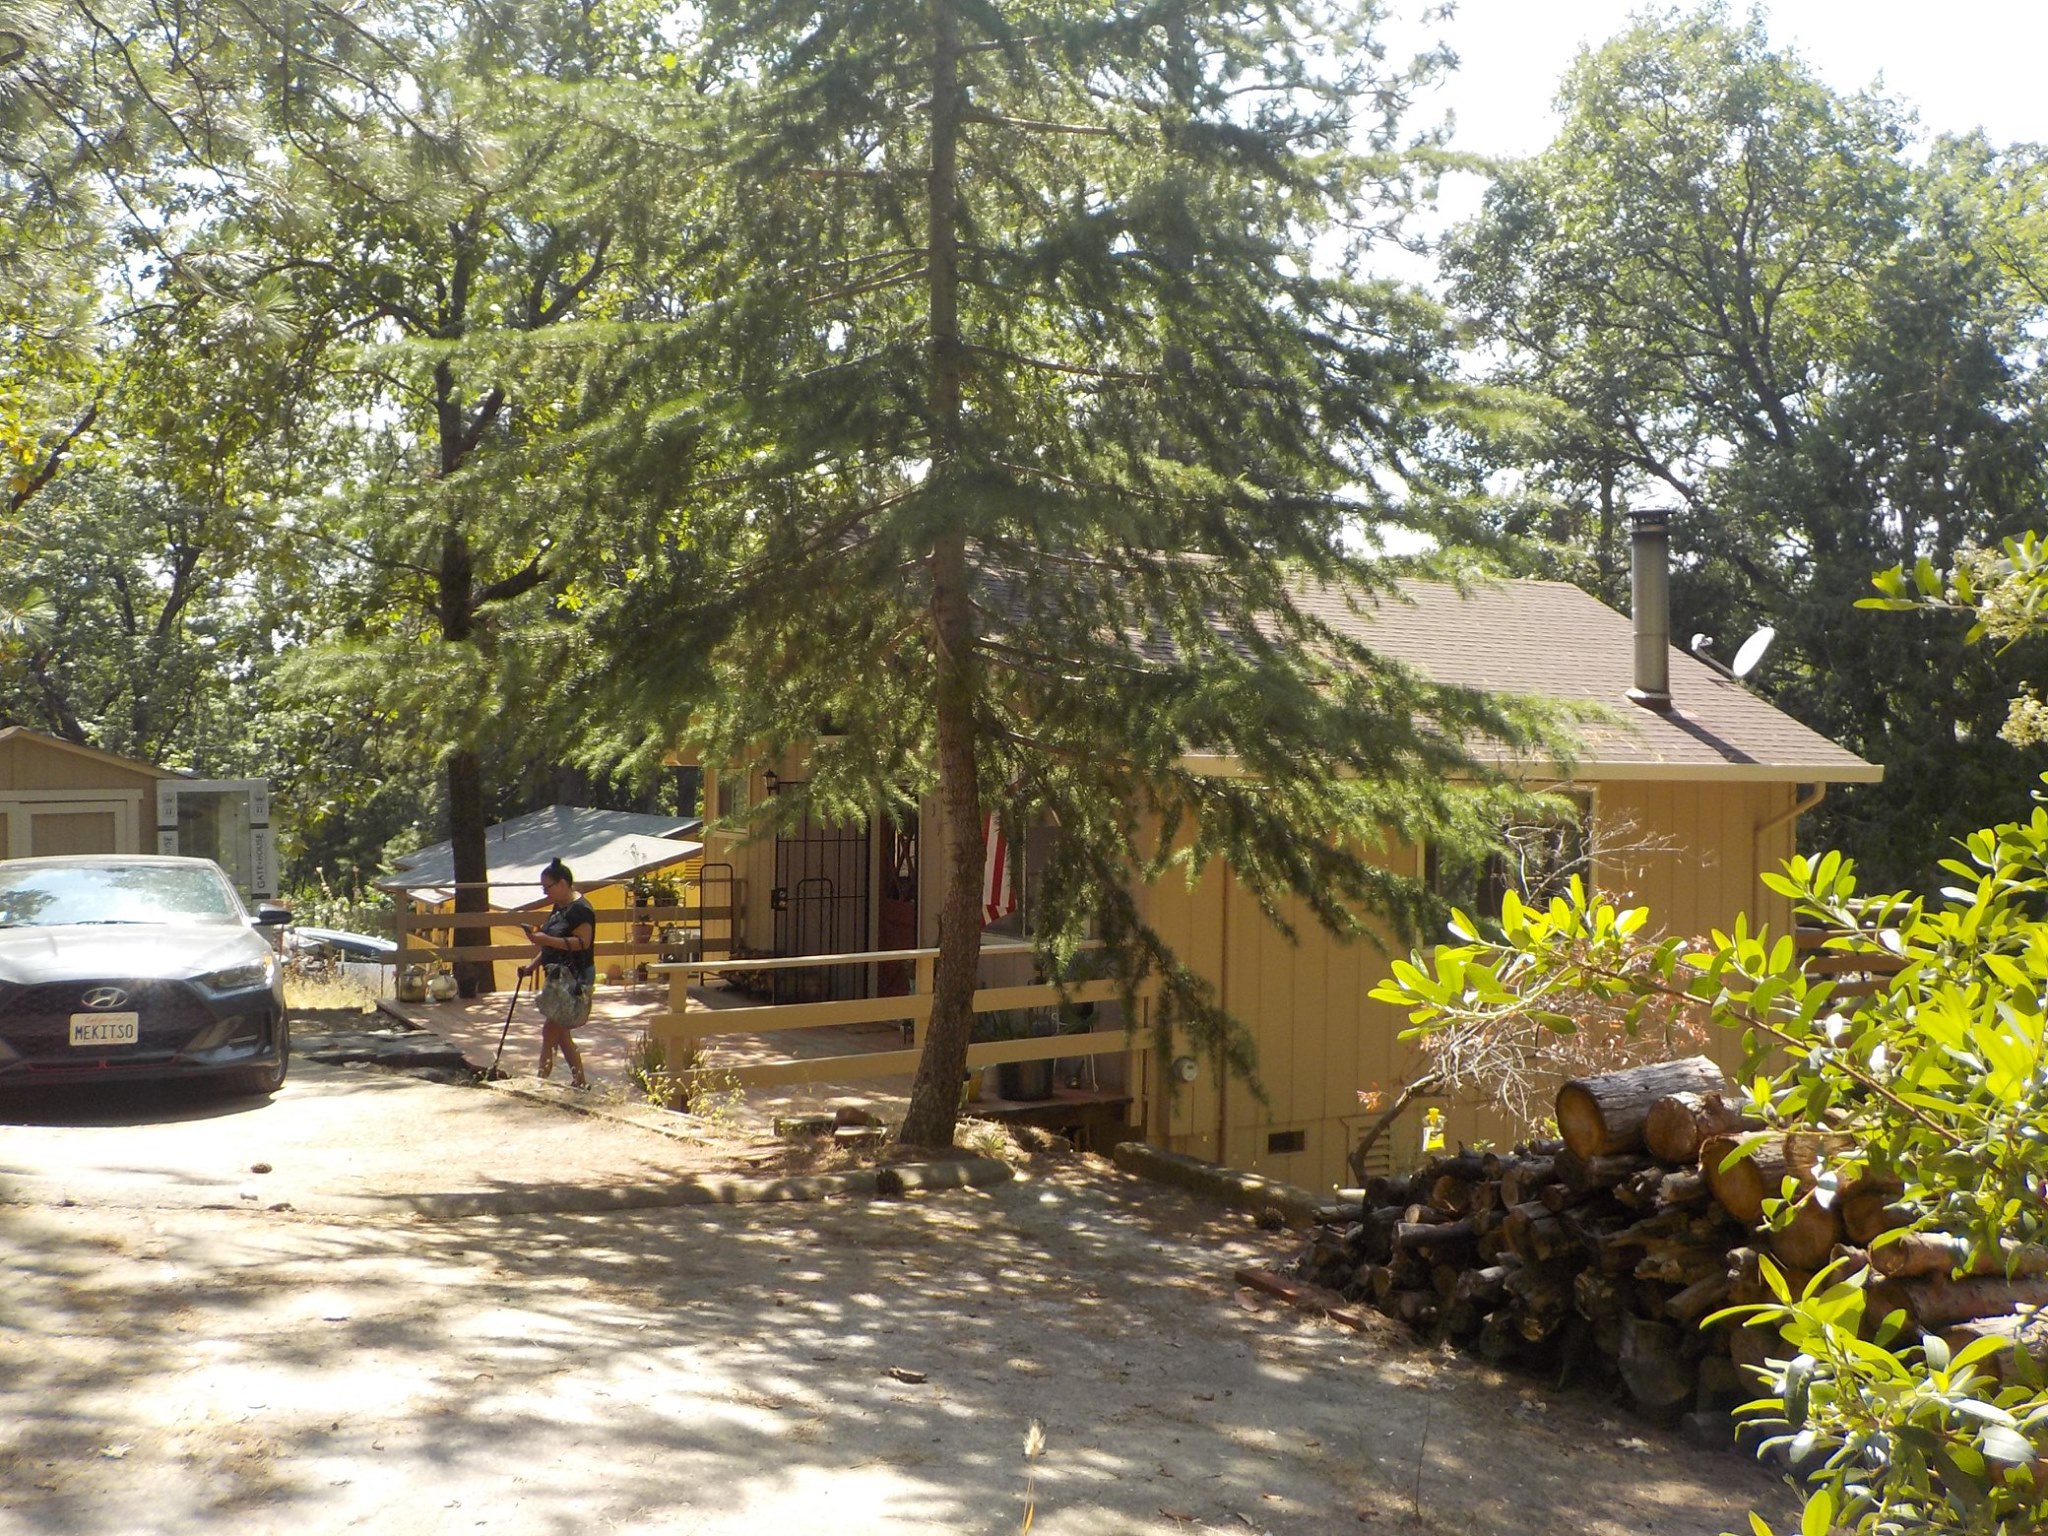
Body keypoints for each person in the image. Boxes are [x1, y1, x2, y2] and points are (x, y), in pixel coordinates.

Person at [519, 858, 594, 1088]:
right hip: (556, 977)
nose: (545, 892)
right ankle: (580, 1082)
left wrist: (545, 939)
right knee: (560, 1035)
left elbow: (583, 942)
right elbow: (549, 944)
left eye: (548, 887)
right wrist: (532, 967)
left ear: (562, 883)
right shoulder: (559, 907)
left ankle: (540, 1082)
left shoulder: (581, 910)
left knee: (550, 1030)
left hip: (574, 978)